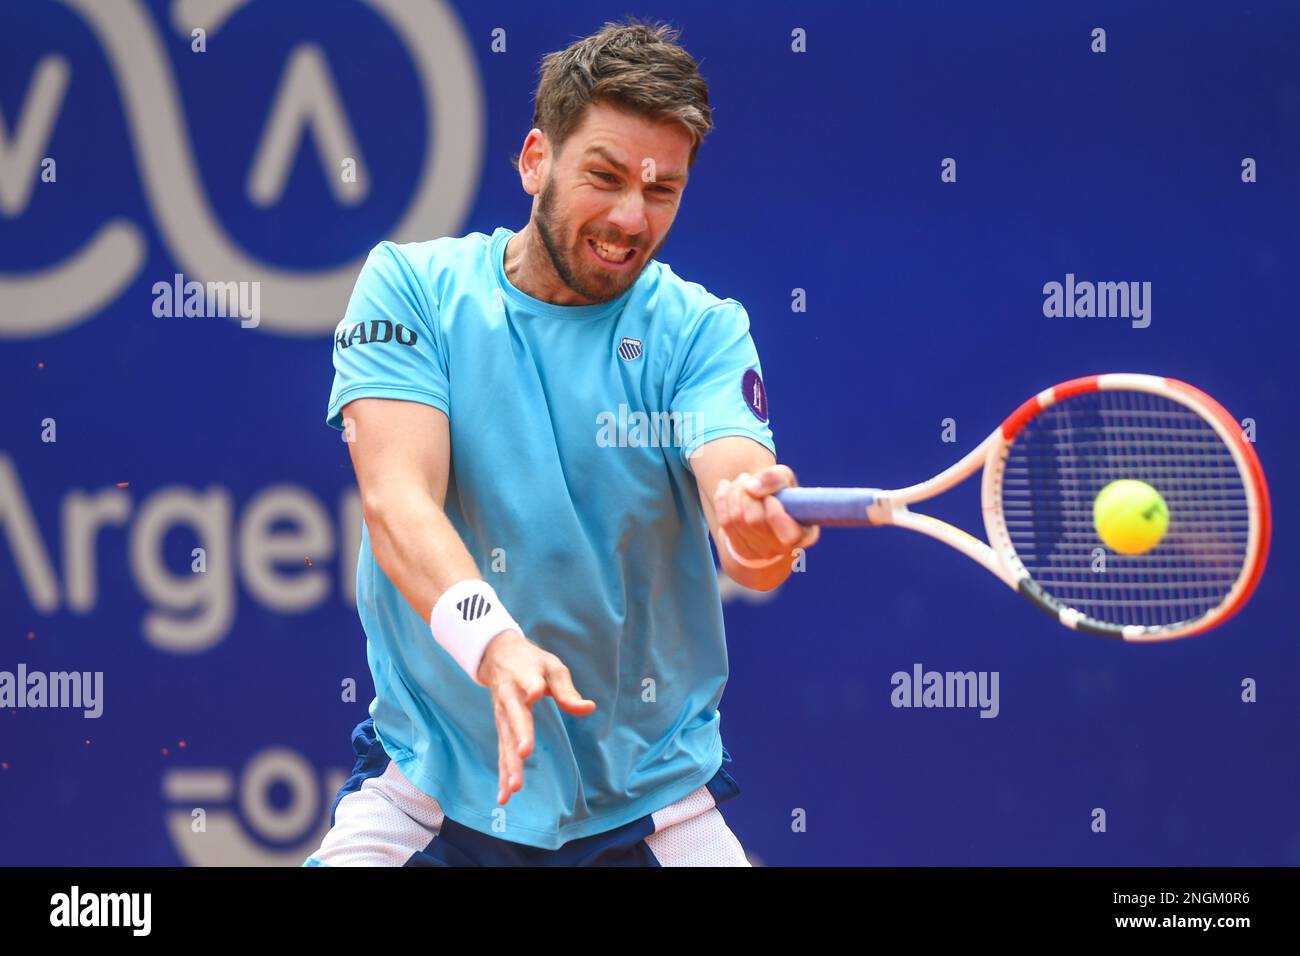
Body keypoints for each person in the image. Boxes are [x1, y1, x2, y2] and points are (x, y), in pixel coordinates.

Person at [305, 19, 818, 867]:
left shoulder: (702, 333)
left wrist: (757, 530)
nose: (629, 218)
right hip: (429, 789)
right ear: (535, 159)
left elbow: (749, 537)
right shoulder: (411, 288)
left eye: (663, 190)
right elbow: (397, 504)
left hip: (652, 804)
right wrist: (495, 644)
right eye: (605, 177)